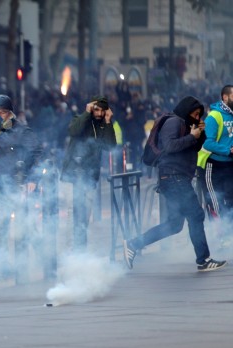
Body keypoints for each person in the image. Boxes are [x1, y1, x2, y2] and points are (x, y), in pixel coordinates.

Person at [123, 95, 227, 272]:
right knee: (196, 215)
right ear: (186, 110)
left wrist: (199, 134)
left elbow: (192, 146)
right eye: (194, 114)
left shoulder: (185, 125)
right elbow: (169, 146)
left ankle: (134, 244)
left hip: (176, 177)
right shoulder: (174, 122)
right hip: (173, 176)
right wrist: (192, 136)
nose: (196, 118)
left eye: (198, 115)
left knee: (174, 224)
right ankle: (203, 260)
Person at [0, 95, 44, 272]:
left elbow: (39, 155)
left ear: (10, 113)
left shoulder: (23, 132)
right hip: (1, 187)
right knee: (0, 225)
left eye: (3, 112)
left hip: (20, 186)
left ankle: (46, 260)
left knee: (28, 227)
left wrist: (33, 179)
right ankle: (2, 265)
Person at [61, 95, 116, 251]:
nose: (98, 113)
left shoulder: (103, 125)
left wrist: (107, 122)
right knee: (73, 212)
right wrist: (86, 113)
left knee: (85, 212)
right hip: (73, 174)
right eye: (96, 109)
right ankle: (71, 247)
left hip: (90, 176)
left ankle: (80, 248)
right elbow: (74, 131)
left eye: (102, 111)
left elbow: (110, 145)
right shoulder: (80, 118)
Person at [198, 85, 233, 223]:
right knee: (216, 203)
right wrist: (228, 150)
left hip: (230, 165)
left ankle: (229, 237)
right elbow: (207, 142)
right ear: (225, 97)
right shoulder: (214, 116)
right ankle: (220, 237)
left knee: (230, 202)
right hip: (212, 167)